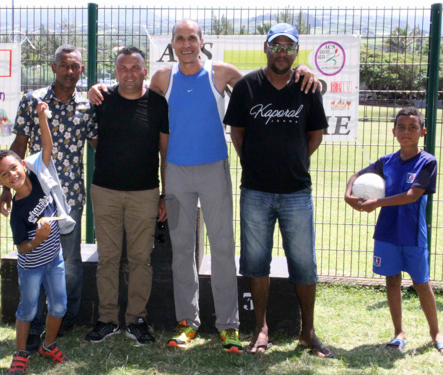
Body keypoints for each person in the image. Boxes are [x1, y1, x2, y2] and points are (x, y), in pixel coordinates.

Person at [90, 19, 320, 353]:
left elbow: (266, 84)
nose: (186, 44)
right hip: (177, 174)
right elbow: (134, 101)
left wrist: (303, 72)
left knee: (223, 249)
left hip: (214, 170)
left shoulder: (221, 73)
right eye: (180, 39)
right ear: (172, 44)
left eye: (192, 38)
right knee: (183, 252)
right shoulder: (161, 79)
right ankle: (188, 322)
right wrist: (99, 88)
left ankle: (229, 325)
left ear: (202, 42)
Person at [224, 23, 332, 357]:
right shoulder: (246, 86)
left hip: (296, 191)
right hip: (255, 191)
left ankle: (307, 331)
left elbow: (314, 135)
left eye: (288, 47)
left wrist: (294, 161)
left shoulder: (307, 87)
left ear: (296, 51)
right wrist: (254, 163)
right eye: (276, 46)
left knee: (304, 263)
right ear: (266, 48)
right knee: (256, 262)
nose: (282, 52)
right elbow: (238, 133)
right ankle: (260, 329)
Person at [0, 44, 97, 351]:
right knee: (34, 258)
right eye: (64, 66)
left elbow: (99, 144)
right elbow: (19, 144)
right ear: (54, 68)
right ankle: (35, 321)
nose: (70, 71)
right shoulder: (33, 101)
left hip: (70, 197)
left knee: (67, 261)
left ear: (82, 70)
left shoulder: (88, 105)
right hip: (34, 196)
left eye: (76, 66)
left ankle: (63, 320)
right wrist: (6, 189)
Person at [344, 108, 443, 356]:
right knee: (392, 280)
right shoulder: (386, 162)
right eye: (402, 127)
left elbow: (411, 195)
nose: (407, 132)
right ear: (393, 131)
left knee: (421, 282)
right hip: (387, 232)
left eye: (413, 127)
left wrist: (376, 204)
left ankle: (436, 333)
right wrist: (348, 193)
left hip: (413, 234)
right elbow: (356, 174)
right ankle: (399, 333)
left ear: (422, 132)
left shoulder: (427, 161)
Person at [84, 47, 169, 346]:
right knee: (107, 259)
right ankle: (107, 320)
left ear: (146, 71)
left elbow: (165, 152)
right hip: (105, 191)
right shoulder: (100, 100)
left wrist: (164, 195)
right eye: (123, 67)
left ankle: (137, 321)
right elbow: (93, 136)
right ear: (115, 71)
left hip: (145, 193)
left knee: (140, 260)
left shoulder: (158, 104)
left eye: (136, 67)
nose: (129, 72)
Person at [0, 101, 72, 372]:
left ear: (23, 164)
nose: (12, 174)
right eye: (4, 175)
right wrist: (37, 240)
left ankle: (48, 345)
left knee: (59, 306)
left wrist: (41, 117)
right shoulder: (18, 212)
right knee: (28, 310)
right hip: (32, 267)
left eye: (13, 167)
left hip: (55, 261)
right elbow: (22, 248)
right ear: (0, 183)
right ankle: (21, 352)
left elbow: (47, 147)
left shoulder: (40, 177)